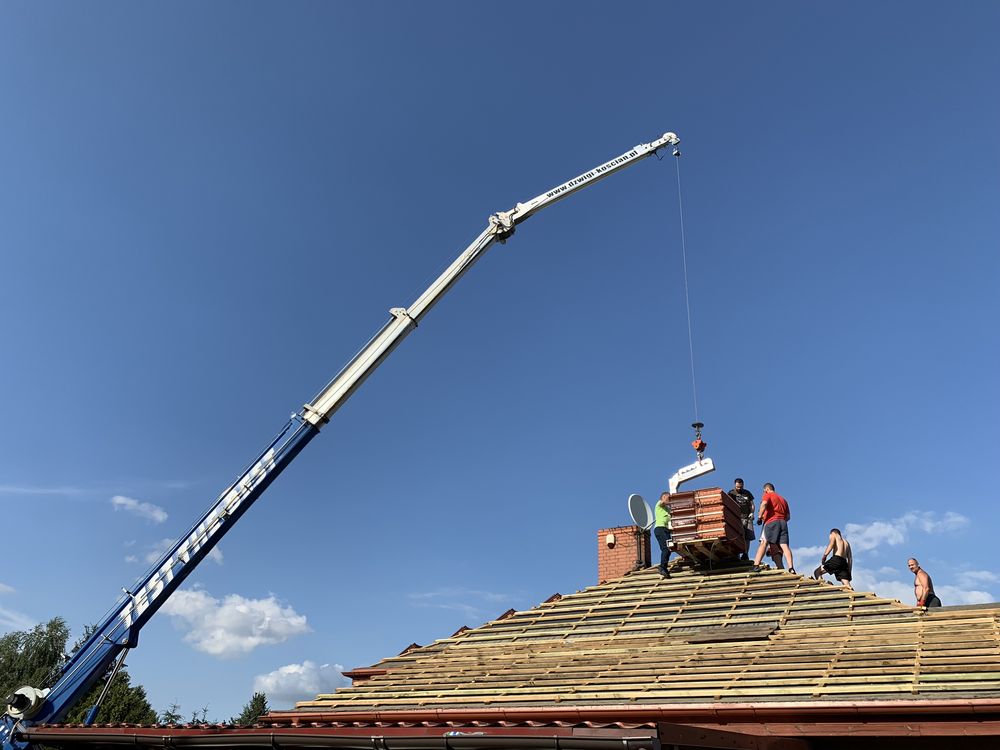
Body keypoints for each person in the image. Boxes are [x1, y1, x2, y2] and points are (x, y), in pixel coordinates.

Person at [750, 483, 794, 574]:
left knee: (764, 542)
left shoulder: (767, 495)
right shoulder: (783, 500)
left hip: (771, 522)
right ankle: (791, 568)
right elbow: (788, 516)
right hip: (783, 523)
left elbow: (764, 504)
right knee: (784, 545)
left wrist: (759, 517)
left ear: (766, 489)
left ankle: (756, 565)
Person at [730, 478, 755, 562]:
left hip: (747, 517)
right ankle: (736, 554)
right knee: (739, 536)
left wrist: (752, 513)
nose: (739, 488)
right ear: (735, 485)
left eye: (740, 487)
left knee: (748, 537)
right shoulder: (731, 493)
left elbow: (752, 505)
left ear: (743, 485)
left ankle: (745, 554)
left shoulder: (747, 493)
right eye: (737, 487)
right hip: (737, 518)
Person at [654, 491, 672, 578]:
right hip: (660, 529)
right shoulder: (659, 504)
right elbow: (663, 502)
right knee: (665, 548)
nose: (669, 500)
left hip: (666, 530)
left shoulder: (668, 509)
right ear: (663, 497)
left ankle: (664, 567)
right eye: (668, 498)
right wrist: (668, 500)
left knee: (669, 549)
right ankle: (662, 567)